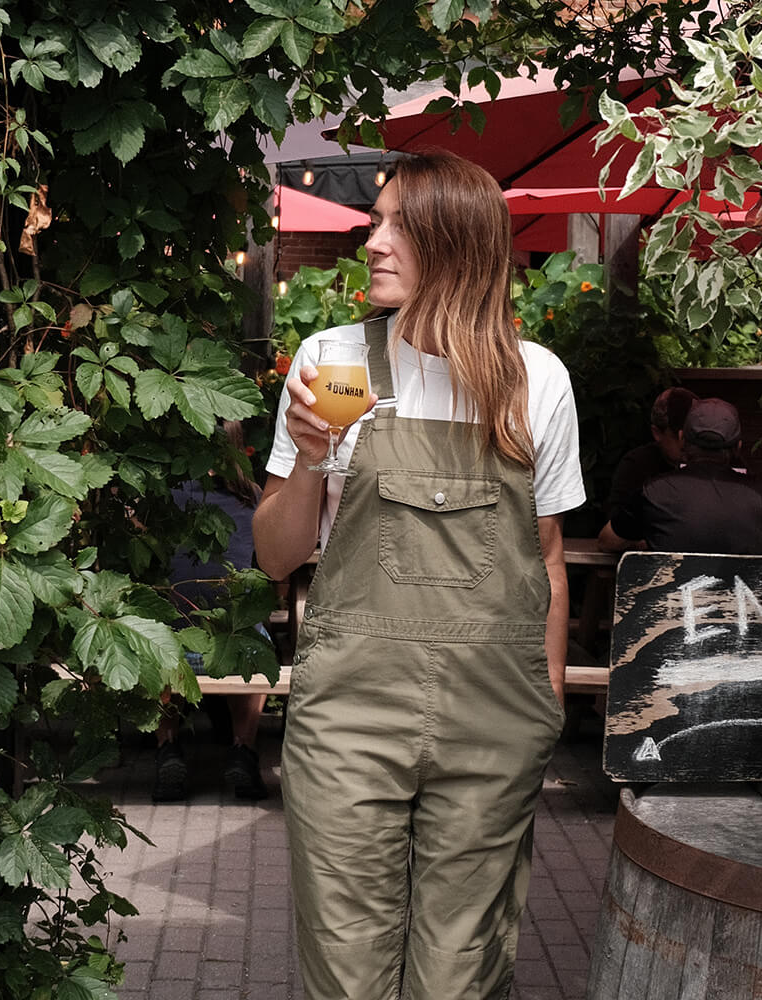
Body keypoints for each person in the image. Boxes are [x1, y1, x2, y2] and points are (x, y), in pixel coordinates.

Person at [253, 151, 585, 999]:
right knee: (347, 966)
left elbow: (545, 553)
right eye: (376, 219)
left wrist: (545, 698)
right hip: (351, 715)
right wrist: (309, 462)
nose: (374, 240)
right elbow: (274, 555)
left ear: (459, 244)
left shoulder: (533, 379)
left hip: (493, 719)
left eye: (400, 224)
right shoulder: (335, 362)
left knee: (459, 974)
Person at [154, 424, 270, 802]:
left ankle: (167, 747)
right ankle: (243, 749)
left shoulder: (162, 495)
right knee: (256, 640)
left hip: (175, 653)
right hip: (236, 651)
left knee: (155, 636)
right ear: (237, 446)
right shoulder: (252, 496)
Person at [598, 397, 762, 554]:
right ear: (738, 446)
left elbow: (607, 542)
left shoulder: (654, 492)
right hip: (742, 587)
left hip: (672, 587)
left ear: (681, 439)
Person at [602, 386, 697, 521]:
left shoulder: (713, 461)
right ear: (657, 433)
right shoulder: (637, 466)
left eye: (692, 436)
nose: (685, 445)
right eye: (678, 437)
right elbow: (615, 526)